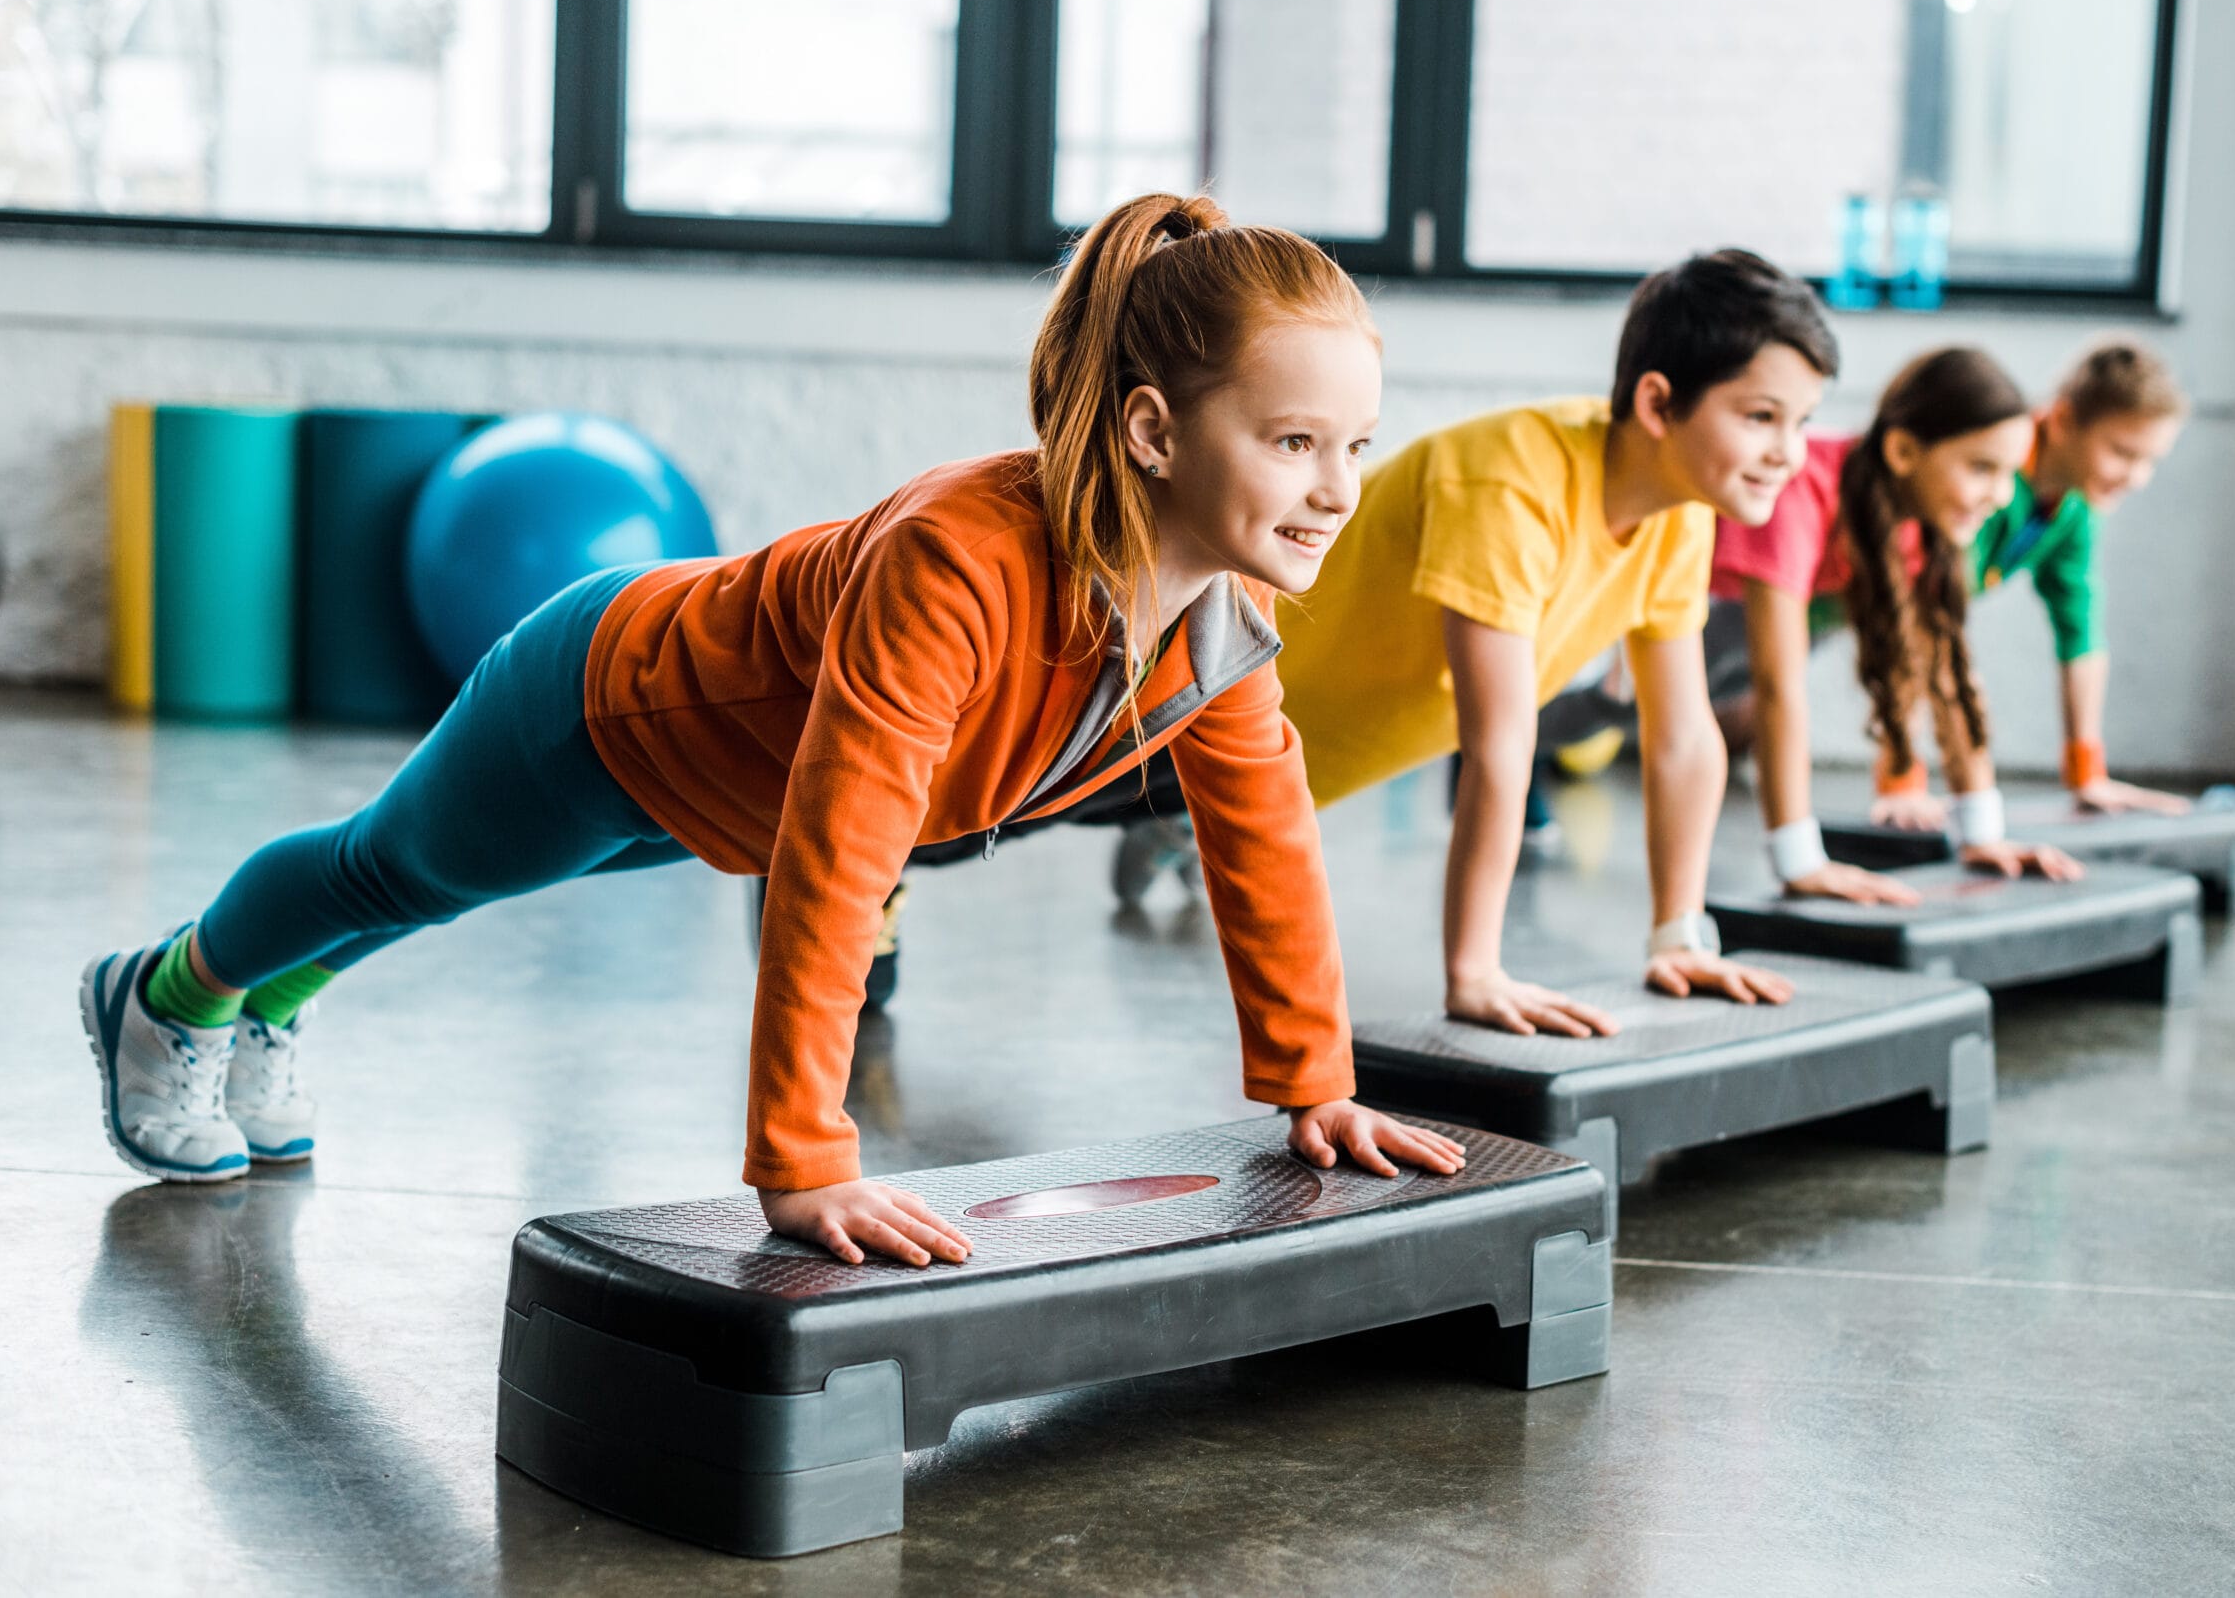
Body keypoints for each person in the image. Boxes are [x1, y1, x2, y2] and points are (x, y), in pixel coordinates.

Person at [76, 192, 1466, 1263]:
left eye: (1358, 444)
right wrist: (804, 1157)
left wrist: (1314, 1086)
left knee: (444, 887)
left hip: (713, 792)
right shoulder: (960, 560)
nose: (1338, 487)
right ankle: (165, 991)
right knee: (392, 869)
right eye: (1295, 441)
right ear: (1156, 431)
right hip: (608, 706)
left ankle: (277, 993)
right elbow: (843, 860)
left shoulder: (1219, 631)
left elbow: (1263, 843)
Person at [1112, 249, 1838, 1037]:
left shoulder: (1680, 516)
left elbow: (1685, 736)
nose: (1789, 452)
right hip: (1167, 711)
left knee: (1175, 806)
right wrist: (1476, 972)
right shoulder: (1510, 482)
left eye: (1801, 422)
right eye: (1761, 417)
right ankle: (1165, 820)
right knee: (978, 820)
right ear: (1659, 404)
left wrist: (1680, 934)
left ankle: (1175, 827)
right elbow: (1497, 746)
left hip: (1283, 763)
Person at [1708, 346, 2084, 903]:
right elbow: (1778, 688)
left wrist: (1981, 835)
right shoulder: (1801, 487)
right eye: (1982, 468)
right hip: (1687, 606)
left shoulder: (1924, 526)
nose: (2002, 496)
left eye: (2011, 473)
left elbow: (1949, 672)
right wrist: (1800, 862)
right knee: (1596, 704)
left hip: (1762, 612)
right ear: (1905, 451)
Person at [1866, 337, 2192, 828]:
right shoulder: (1988, 475)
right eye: (2123, 452)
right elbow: (1914, 625)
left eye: (2150, 461)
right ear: (2062, 421)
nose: (2137, 477)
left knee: (1737, 715)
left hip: (1859, 614)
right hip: (1820, 595)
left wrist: (2087, 772)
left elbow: (2079, 635)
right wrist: (1901, 780)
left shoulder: (2076, 508)